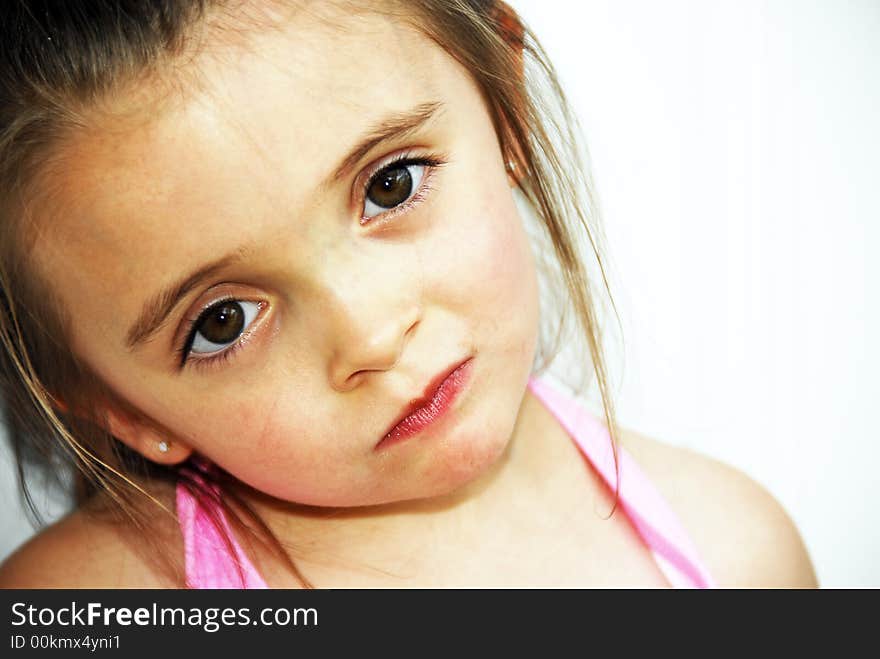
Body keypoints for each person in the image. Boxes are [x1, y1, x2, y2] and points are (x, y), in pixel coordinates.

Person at [0, 0, 816, 588]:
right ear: (122, 407)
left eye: (391, 185)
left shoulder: (741, 551)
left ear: (506, 106)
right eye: (223, 321)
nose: (373, 334)